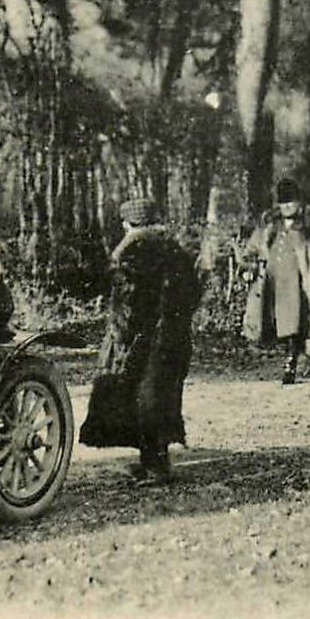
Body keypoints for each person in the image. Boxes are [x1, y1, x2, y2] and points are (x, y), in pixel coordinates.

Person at [79, 198, 204, 482]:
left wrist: (120, 336)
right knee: (160, 399)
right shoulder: (175, 250)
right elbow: (194, 292)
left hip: (140, 341)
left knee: (141, 400)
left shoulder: (130, 252)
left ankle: (156, 468)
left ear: (127, 224)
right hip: (172, 339)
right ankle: (153, 461)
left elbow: (127, 302)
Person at [245, 177, 310, 384]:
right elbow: (253, 249)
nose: (288, 206)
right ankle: (294, 354)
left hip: (297, 281)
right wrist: (250, 266)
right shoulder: (270, 227)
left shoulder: (307, 226)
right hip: (274, 281)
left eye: (292, 201)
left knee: (295, 322)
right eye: (284, 202)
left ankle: (292, 361)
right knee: (277, 323)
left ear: (299, 202)